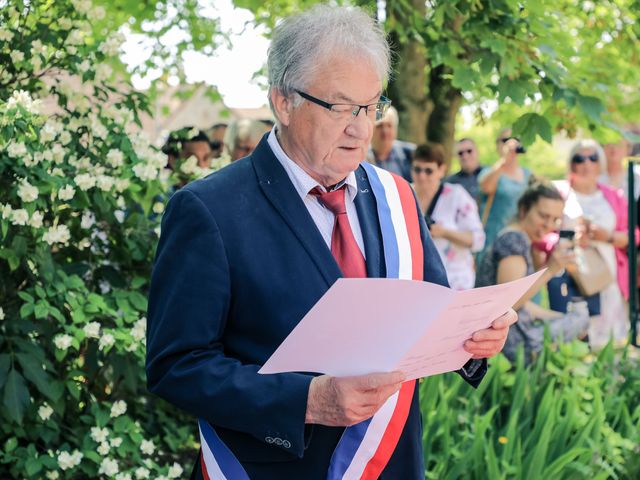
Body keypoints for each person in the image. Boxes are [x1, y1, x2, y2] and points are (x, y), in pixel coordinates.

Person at [146, 5, 516, 479]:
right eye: (341, 106)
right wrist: (306, 401)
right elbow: (176, 365)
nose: (361, 128)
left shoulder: (397, 196)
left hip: (392, 464)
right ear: (284, 102)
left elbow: (433, 313)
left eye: (370, 106)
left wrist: (475, 337)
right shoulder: (208, 210)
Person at [475, 180, 589, 362]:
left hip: (511, 335)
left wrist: (559, 317)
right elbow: (508, 303)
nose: (548, 225)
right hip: (510, 343)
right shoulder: (514, 241)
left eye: (554, 219)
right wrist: (550, 269)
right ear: (523, 209)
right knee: (582, 318)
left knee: (576, 318)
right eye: (543, 216)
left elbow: (525, 305)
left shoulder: (518, 239)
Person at [554, 139, 634, 349]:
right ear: (571, 163)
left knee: (612, 339)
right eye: (579, 158)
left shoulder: (612, 195)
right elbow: (542, 233)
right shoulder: (560, 193)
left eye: (593, 157)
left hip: (608, 274)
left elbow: (634, 233)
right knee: (578, 337)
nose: (586, 163)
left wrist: (607, 236)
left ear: (601, 163)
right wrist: (572, 239)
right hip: (571, 276)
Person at [411, 143, 485, 290]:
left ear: (441, 170)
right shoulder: (403, 193)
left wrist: (444, 232)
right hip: (416, 283)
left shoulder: (457, 196)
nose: (422, 176)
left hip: (455, 282)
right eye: (417, 169)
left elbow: (478, 240)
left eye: (428, 171)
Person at [476, 128, 531, 264]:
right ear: (497, 146)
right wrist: (504, 161)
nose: (511, 144)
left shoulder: (528, 174)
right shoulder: (490, 172)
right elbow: (486, 187)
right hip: (493, 239)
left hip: (520, 239)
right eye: (505, 140)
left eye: (515, 140)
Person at [367, 106, 414, 182]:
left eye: (389, 125)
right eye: (380, 126)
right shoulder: (361, 157)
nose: (385, 131)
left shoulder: (410, 154)